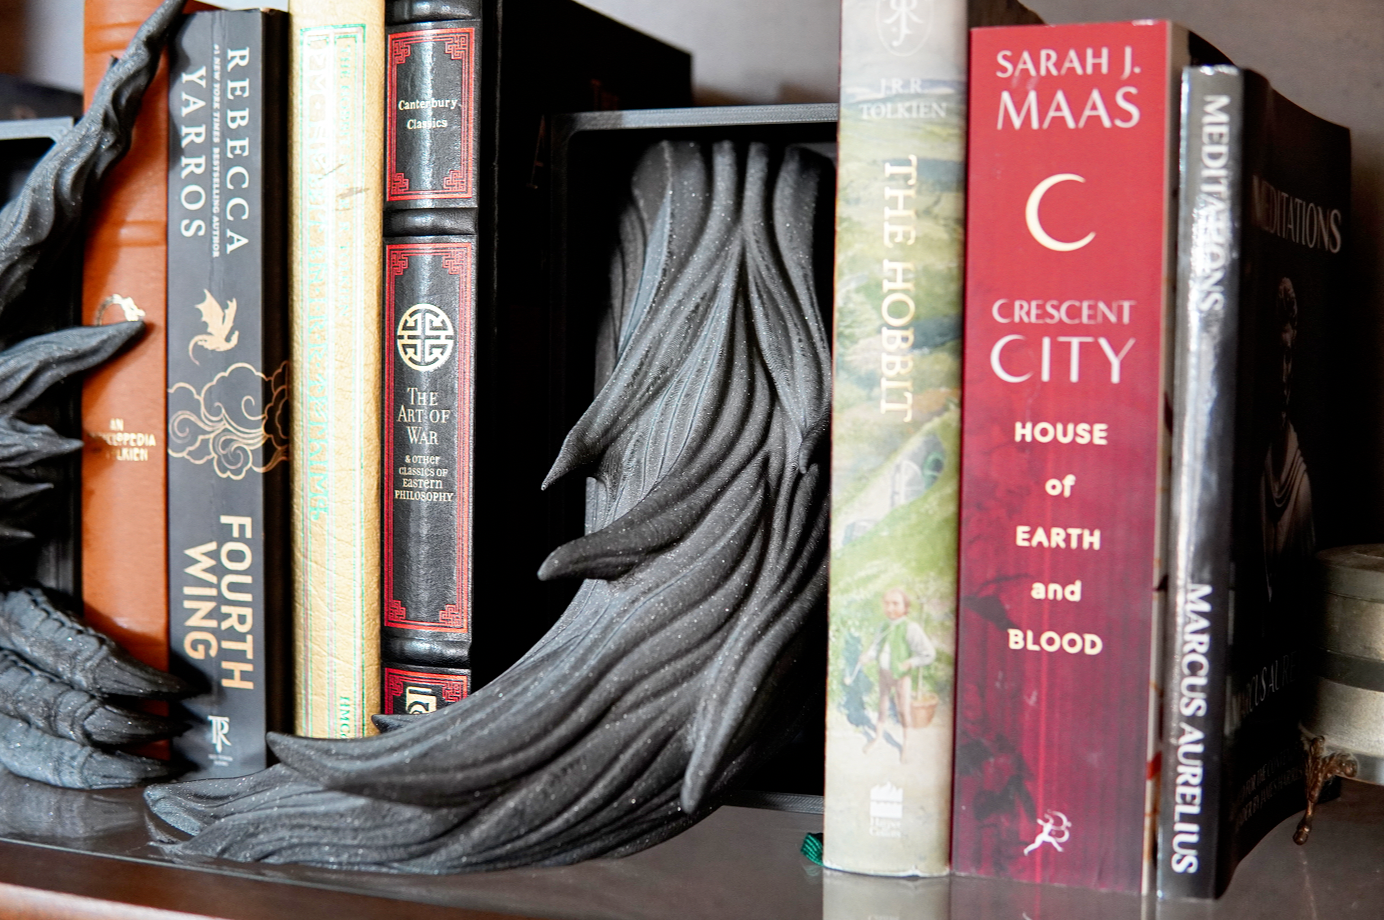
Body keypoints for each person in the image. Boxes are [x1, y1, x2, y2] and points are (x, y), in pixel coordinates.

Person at [1261, 277, 1314, 605]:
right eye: (1278, 357)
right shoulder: (1263, 467)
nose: (1283, 373)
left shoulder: (1298, 480)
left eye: (1289, 358)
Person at [863, 588, 935, 760]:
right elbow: (876, 648)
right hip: (884, 673)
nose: (890, 608)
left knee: (903, 709)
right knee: (882, 707)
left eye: (895, 604)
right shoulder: (883, 626)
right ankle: (878, 737)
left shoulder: (911, 628)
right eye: (887, 603)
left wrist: (911, 662)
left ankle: (906, 745)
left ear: (906, 607)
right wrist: (868, 656)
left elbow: (928, 654)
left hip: (901, 675)